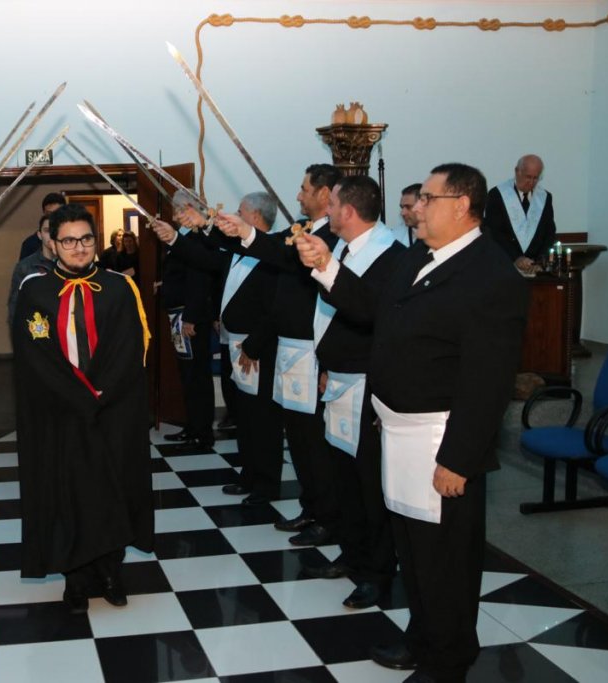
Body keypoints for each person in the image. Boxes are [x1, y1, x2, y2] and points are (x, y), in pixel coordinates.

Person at [301, 164, 528, 682]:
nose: (416, 208)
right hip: (399, 433)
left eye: (427, 198)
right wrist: (327, 267)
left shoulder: (491, 276)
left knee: (446, 561)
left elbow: (488, 382)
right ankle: (422, 637)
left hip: (440, 442)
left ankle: (448, 660)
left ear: (462, 205)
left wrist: (459, 459)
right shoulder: (419, 257)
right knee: (413, 550)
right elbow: (373, 309)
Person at [11, 203, 154, 614]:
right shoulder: (35, 290)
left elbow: (128, 349)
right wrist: (77, 397)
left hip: (111, 411)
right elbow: (35, 355)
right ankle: (74, 580)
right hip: (61, 412)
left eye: (86, 238)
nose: (79, 248)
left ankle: (110, 572)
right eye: (69, 240)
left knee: (111, 490)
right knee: (69, 493)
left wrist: (100, 395)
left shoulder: (119, 288)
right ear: (52, 244)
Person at [291, 176, 406, 609]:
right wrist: (327, 364)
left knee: (369, 485)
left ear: (349, 211)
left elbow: (373, 318)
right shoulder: (343, 248)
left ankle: (378, 572)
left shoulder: (391, 256)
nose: (327, 209)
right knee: (344, 478)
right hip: (339, 380)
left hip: (367, 384)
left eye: (333, 203)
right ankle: (353, 555)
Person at [214, 165, 342, 543]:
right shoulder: (301, 230)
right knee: (298, 440)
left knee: (313, 441)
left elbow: (283, 263)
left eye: (304, 189)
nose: (298, 195)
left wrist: (247, 233)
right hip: (290, 351)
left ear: (324, 194)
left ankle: (328, 515)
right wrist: (238, 231)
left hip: (310, 352)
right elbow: (274, 252)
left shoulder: (330, 240)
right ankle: (311, 507)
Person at [155, 192, 285, 505]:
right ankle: (249, 474)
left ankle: (267, 484)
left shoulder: (275, 253)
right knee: (244, 415)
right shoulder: (238, 251)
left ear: (254, 217)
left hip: (257, 348)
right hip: (234, 342)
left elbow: (277, 308)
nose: (234, 216)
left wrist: (254, 344)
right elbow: (205, 259)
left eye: (239, 211)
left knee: (262, 419)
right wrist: (175, 238)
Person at [158, 191, 216, 450]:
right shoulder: (184, 236)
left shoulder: (197, 239)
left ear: (192, 209)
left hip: (189, 317)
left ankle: (202, 432)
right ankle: (193, 426)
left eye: (179, 210)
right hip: (179, 314)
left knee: (196, 375)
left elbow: (199, 281)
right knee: (187, 373)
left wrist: (191, 318)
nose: (174, 215)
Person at [482, 154, 557, 271]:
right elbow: (495, 232)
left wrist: (540, 261)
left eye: (535, 178)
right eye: (528, 177)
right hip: (506, 265)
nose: (531, 182)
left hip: (535, 267)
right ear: (517, 171)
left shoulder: (545, 197)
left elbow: (549, 233)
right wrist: (516, 258)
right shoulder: (497, 195)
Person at [7, 214, 55, 326]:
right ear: (39, 235)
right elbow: (14, 306)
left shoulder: (70, 265)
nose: (51, 235)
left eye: (55, 230)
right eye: (47, 231)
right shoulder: (24, 267)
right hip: (35, 329)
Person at [18, 192, 67, 260]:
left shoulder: (73, 238)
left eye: (57, 213)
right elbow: (24, 266)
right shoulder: (31, 244)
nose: (53, 218)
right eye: (49, 214)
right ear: (44, 214)